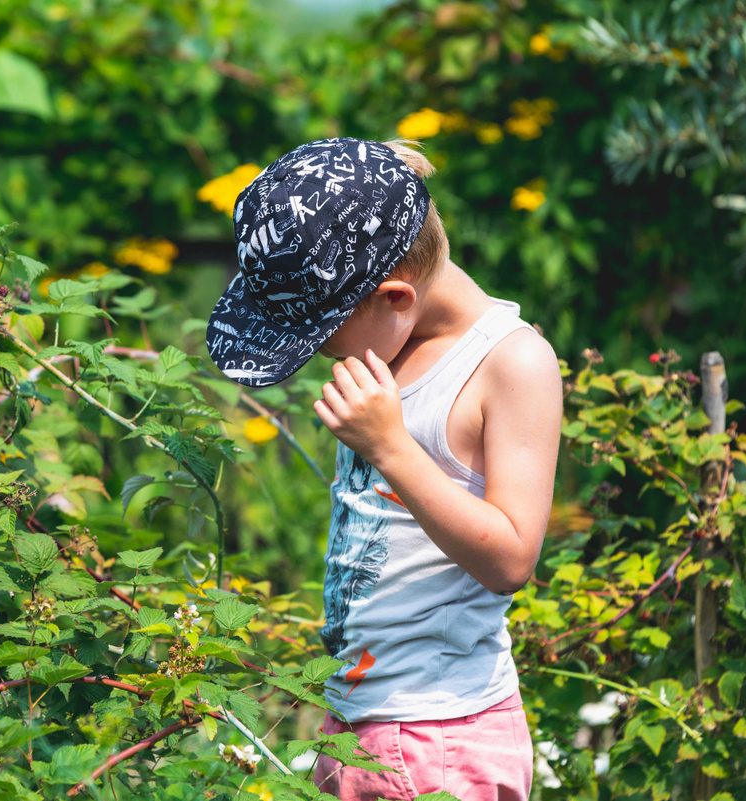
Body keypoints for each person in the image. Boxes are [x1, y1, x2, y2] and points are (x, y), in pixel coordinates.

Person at [205, 138, 562, 800]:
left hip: (439, 734)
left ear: (396, 298)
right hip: (361, 719)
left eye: (319, 335)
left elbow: (513, 557)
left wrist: (391, 446)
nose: (317, 356)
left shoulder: (511, 364)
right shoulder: (389, 349)